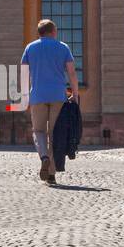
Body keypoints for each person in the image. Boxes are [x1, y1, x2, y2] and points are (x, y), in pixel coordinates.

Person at [20, 18, 80, 186]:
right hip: (58, 96)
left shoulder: (30, 48)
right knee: (55, 134)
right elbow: (72, 73)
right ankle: (52, 174)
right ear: (53, 32)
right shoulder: (63, 47)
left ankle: (44, 157)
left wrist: (25, 97)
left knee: (38, 131)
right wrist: (75, 94)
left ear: (39, 33)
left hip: (37, 95)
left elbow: (24, 74)